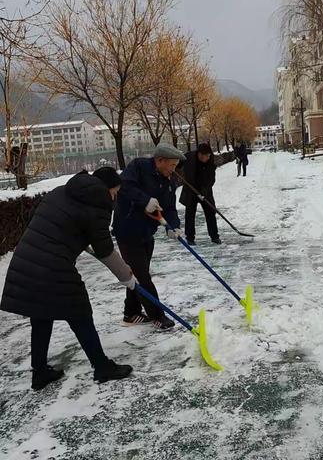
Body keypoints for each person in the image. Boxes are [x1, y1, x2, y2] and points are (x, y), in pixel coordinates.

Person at [1, 167, 135, 391]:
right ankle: (102, 367)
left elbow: (51, 223)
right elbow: (104, 250)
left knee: (41, 315)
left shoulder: (60, 191)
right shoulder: (99, 203)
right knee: (80, 313)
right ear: (107, 188)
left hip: (26, 257)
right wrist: (127, 277)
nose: (115, 196)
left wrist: (76, 238)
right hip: (53, 267)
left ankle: (40, 372)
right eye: (116, 191)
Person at [112, 143, 185, 329]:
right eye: (172, 165)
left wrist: (173, 226)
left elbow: (169, 207)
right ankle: (158, 316)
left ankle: (131, 313)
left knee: (137, 275)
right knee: (143, 277)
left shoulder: (169, 181)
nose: (173, 169)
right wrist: (145, 200)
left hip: (146, 233)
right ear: (160, 160)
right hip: (127, 232)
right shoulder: (138, 167)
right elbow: (124, 187)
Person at [179, 143, 221, 246]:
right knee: (190, 214)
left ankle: (214, 236)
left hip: (205, 190)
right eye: (202, 156)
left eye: (207, 156)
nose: (205, 159)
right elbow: (177, 164)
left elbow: (211, 179)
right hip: (191, 189)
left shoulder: (211, 161)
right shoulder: (188, 157)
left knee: (210, 212)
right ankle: (190, 238)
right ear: (198, 153)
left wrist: (204, 192)